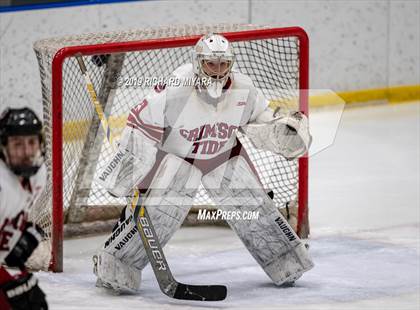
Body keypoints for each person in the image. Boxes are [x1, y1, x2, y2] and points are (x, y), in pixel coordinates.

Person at [94, 33, 313, 293]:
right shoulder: (177, 88)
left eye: (223, 65)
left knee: (252, 207)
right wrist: (125, 172)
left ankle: (286, 262)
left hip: (223, 157)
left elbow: (261, 118)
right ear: (199, 63)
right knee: (160, 213)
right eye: (211, 64)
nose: (218, 71)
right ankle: (115, 267)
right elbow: (141, 121)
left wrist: (284, 131)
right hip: (177, 159)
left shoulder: (244, 88)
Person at [0, 107, 48, 309]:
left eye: (31, 142)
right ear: (3, 147)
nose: (27, 152)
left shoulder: (38, 175)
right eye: (17, 144)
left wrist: (20, 232)